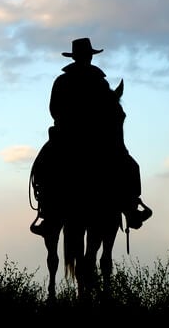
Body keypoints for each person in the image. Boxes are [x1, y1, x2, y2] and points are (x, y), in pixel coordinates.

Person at [31, 37, 151, 235]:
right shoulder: (65, 81)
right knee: (44, 165)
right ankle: (48, 213)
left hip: (93, 137)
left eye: (87, 56)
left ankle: (131, 207)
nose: (87, 59)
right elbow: (55, 110)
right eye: (85, 55)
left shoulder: (99, 82)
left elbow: (107, 110)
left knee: (131, 165)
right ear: (80, 57)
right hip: (70, 135)